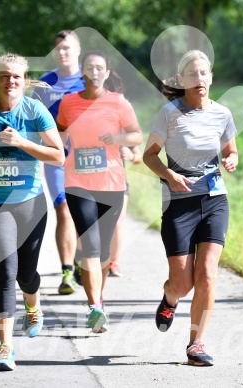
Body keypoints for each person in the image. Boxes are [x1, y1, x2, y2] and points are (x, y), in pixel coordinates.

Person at [0, 53, 64, 371]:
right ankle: (5, 348)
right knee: (6, 273)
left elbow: (58, 156)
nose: (11, 81)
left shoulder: (34, 111)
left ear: (24, 80)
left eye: (17, 76)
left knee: (26, 275)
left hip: (30, 204)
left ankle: (33, 306)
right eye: (5, 76)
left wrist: (21, 142)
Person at [143, 50, 238, 366]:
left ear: (211, 78)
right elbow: (150, 155)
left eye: (204, 73)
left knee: (208, 275)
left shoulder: (222, 114)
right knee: (183, 284)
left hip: (214, 200)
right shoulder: (169, 113)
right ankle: (170, 297)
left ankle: (196, 344)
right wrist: (169, 175)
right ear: (182, 81)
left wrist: (231, 159)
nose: (200, 79)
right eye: (193, 74)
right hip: (178, 204)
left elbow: (231, 149)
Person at [57, 50, 143, 333]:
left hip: (111, 184)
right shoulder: (68, 103)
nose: (95, 72)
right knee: (91, 247)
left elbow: (136, 135)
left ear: (107, 73)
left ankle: (98, 302)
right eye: (90, 68)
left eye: (100, 68)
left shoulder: (118, 103)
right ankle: (94, 306)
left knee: (104, 251)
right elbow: (59, 135)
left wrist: (118, 138)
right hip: (78, 184)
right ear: (83, 72)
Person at [33, 30, 85, 295]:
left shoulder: (89, 78)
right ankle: (66, 271)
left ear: (78, 50)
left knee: (84, 211)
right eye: (58, 49)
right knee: (63, 209)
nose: (62, 53)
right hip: (56, 157)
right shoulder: (45, 83)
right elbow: (31, 119)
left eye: (67, 48)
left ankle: (80, 262)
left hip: (87, 158)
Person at [108, 145, 142, 277]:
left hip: (118, 183)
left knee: (117, 223)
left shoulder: (122, 129)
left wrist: (131, 156)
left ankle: (113, 262)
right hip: (90, 183)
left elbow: (138, 157)